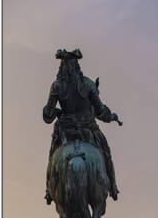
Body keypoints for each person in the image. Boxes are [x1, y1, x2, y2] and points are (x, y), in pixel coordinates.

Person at [43, 48, 121, 204]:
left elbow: (47, 116)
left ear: (62, 67)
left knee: (52, 157)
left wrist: (55, 111)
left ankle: (48, 190)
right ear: (77, 65)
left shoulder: (57, 86)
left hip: (66, 130)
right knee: (105, 152)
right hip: (88, 128)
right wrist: (111, 116)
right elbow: (100, 111)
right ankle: (112, 185)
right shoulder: (88, 84)